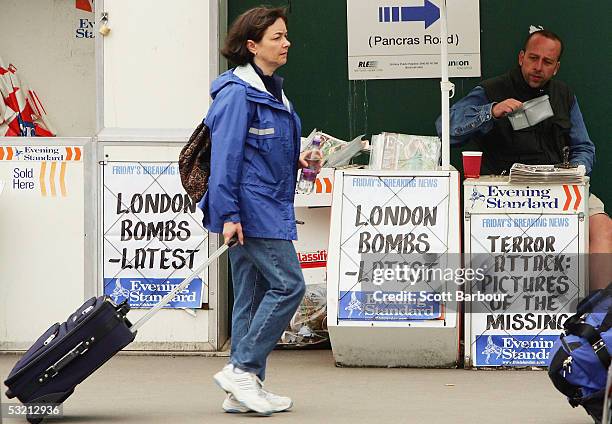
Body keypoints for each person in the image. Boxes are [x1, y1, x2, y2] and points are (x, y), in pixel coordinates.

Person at [199, 7, 314, 416]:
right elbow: (225, 160)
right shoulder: (236, 94)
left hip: (263, 203)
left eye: (286, 36)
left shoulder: (273, 91)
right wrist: (230, 214)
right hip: (251, 209)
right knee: (288, 285)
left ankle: (243, 389)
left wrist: (299, 160)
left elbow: (260, 150)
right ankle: (243, 370)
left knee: (251, 294)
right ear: (252, 46)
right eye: (277, 37)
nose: (286, 43)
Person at [436, 29, 611, 290]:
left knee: (602, 226)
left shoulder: (564, 94)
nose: (538, 67)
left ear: (556, 67)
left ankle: (598, 317)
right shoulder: (491, 89)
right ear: (521, 58)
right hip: (503, 191)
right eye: (533, 58)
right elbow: (444, 127)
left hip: (558, 187)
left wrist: (575, 173)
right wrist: (491, 111)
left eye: (547, 62)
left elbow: (584, 146)